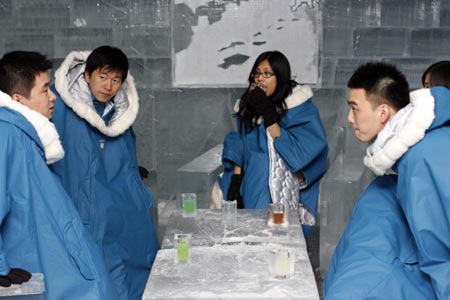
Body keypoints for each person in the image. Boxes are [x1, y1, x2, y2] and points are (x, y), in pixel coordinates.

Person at [324, 61, 449, 299]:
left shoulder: (421, 157)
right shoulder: (408, 159)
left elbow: (441, 251)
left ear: (383, 113)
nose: (350, 119)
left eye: (355, 108)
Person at [0, 51, 119, 299]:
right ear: (18, 99)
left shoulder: (25, 136)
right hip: (38, 275)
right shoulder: (7, 136)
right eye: (45, 89)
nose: (53, 96)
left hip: (53, 273)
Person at [50, 46, 160, 300]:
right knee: (103, 278)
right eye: (103, 76)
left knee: (138, 271)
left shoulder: (120, 109)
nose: (109, 86)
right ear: (86, 75)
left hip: (124, 202)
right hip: (87, 207)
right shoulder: (59, 104)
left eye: (116, 79)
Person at [218, 51, 328, 236]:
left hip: (281, 180)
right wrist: (236, 178)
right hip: (250, 179)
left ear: (281, 76)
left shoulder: (299, 107)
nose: (261, 78)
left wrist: (269, 113)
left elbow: (304, 151)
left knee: (269, 235)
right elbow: (242, 141)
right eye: (257, 73)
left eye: (267, 74)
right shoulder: (250, 105)